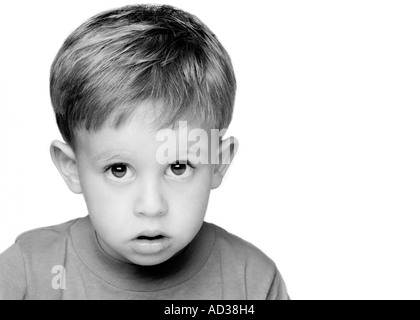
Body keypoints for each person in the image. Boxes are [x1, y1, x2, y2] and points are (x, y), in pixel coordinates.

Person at [0, 4, 288, 300]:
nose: (151, 207)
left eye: (178, 167)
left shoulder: (250, 281)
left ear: (218, 162)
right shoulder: (26, 274)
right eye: (119, 169)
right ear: (71, 167)